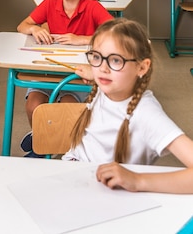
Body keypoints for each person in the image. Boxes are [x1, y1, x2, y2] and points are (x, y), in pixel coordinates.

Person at [62, 19, 193, 182]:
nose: (103, 68)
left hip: (106, 191)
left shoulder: (146, 112)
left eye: (116, 60)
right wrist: (93, 72)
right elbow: (104, 70)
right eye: (96, 57)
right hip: (74, 174)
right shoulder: (108, 85)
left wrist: (139, 181)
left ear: (142, 68)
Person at [17, 0, 113, 157]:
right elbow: (22, 26)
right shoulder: (50, 3)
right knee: (33, 105)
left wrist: (83, 39)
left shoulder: (92, 7)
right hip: (49, 68)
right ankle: (41, 139)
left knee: (67, 107)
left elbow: (116, 34)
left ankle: (64, 150)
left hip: (77, 73)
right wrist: (34, 29)